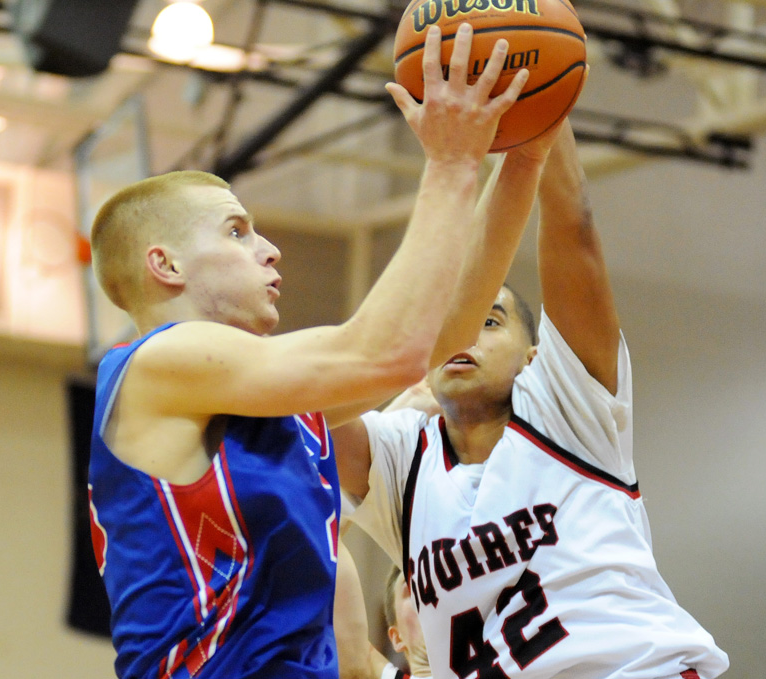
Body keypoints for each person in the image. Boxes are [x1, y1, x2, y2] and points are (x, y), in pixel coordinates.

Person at [86, 23, 560, 679]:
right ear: (164, 263)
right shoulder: (154, 364)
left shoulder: (274, 403)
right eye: (237, 231)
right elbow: (388, 356)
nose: (269, 249)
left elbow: (439, 339)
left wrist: (520, 158)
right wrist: (451, 163)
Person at [330, 121, 731, 679]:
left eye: (489, 320)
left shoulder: (569, 407)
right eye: (454, 320)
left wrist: (546, 116)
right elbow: (300, 428)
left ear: (533, 355)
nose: (463, 333)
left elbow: (576, 228)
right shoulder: (401, 456)